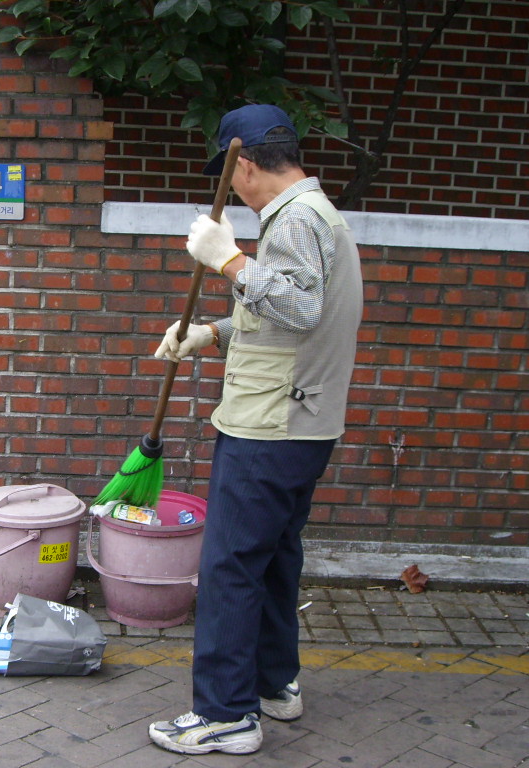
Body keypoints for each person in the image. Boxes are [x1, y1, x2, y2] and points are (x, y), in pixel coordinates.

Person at [147, 104, 363, 755]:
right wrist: (210, 334)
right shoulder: (320, 216)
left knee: (230, 567)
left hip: (269, 426)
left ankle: (225, 714)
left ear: (243, 164)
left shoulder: (293, 221)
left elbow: (296, 307)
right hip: (303, 425)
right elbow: (295, 315)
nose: (233, 190)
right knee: (271, 561)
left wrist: (230, 262)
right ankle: (273, 684)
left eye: (231, 173)